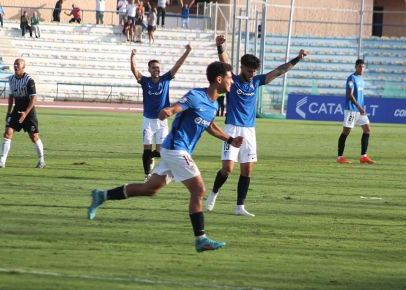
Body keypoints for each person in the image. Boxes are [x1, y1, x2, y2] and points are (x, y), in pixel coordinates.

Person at [88, 61, 243, 253]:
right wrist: (168, 111)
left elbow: (209, 125)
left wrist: (230, 139)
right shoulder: (197, 95)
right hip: (176, 149)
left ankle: (102, 195)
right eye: (230, 78)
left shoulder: (214, 103)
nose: (232, 82)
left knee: (149, 189)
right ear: (219, 79)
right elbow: (177, 107)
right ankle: (200, 238)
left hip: (175, 151)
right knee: (199, 189)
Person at [206, 35, 307, 216]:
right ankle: (214, 193)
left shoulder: (257, 81)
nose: (252, 73)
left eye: (254, 71)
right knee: (228, 169)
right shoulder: (234, 80)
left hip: (249, 130)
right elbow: (224, 63)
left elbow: (279, 71)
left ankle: (239, 207)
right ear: (242, 67)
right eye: (249, 70)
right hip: (232, 127)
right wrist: (220, 47)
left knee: (247, 169)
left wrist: (297, 59)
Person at [131, 44, 192, 181]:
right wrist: (133, 56)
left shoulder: (166, 79)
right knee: (147, 149)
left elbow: (178, 65)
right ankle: (147, 175)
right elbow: (134, 70)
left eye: (158, 67)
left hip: (162, 121)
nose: (156, 69)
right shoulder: (145, 81)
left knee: (161, 151)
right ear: (149, 69)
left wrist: (187, 51)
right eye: (153, 67)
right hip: (148, 120)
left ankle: (154, 157)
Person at [0, 59, 46, 169]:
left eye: (18, 64)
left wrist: (25, 113)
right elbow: (11, 96)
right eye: (14, 64)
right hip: (17, 110)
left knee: (34, 136)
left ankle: (41, 160)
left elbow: (34, 98)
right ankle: (2, 162)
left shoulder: (29, 80)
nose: (16, 66)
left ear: (23, 67)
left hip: (29, 111)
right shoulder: (11, 79)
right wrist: (9, 112)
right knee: (7, 133)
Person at [337, 59, 375, 164]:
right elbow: (350, 95)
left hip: (360, 110)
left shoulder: (361, 79)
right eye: (360, 67)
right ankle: (340, 157)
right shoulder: (351, 78)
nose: (362, 69)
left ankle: (363, 156)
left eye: (363, 67)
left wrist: (361, 108)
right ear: (356, 67)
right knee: (346, 132)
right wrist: (359, 107)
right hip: (352, 110)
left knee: (367, 130)